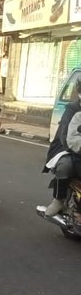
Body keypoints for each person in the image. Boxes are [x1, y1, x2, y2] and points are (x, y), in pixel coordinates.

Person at [43, 72, 81, 217]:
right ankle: (58, 199)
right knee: (65, 164)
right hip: (65, 146)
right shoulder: (73, 109)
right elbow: (66, 135)